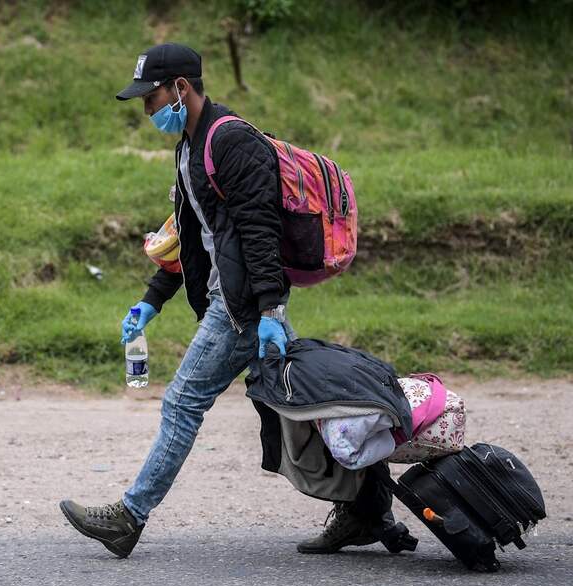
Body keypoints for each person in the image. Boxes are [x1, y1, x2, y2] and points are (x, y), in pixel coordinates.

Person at [59, 43, 394, 558]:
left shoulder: (232, 141)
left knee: (182, 401)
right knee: (300, 407)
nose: (147, 111)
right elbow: (188, 237)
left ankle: (129, 517)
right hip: (239, 300)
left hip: (241, 307)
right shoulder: (188, 148)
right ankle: (370, 513)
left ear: (180, 89)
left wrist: (265, 312)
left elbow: (261, 230)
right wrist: (153, 300)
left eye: (150, 100)